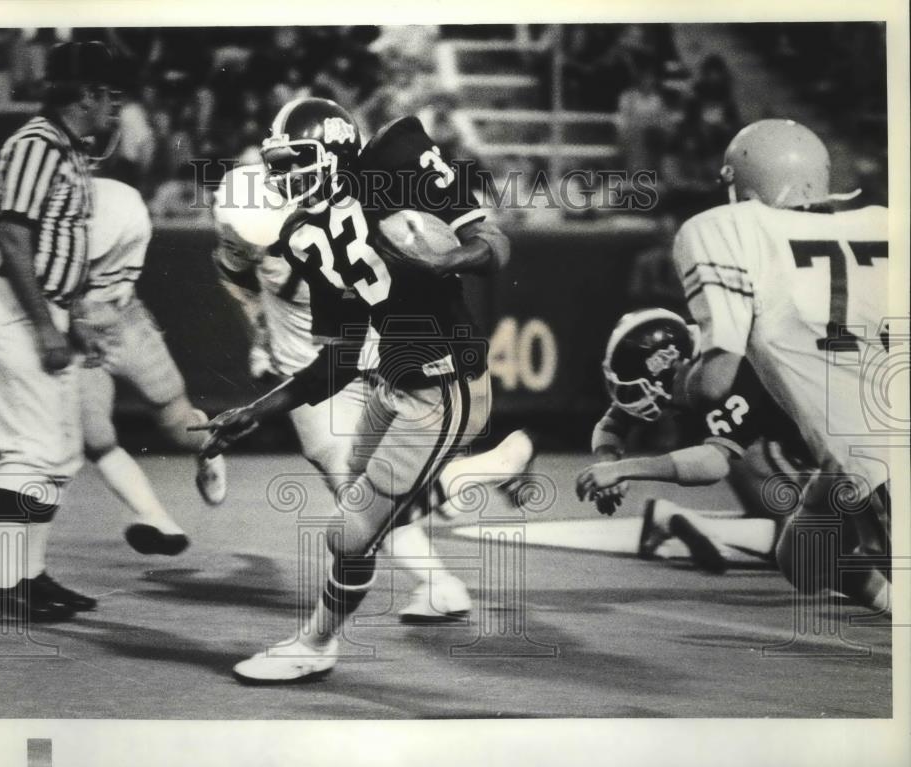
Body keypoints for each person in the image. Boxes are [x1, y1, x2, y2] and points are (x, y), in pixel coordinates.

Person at [201, 97, 520, 683]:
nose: (282, 177)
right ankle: (465, 479)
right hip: (392, 381)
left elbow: (496, 243)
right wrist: (261, 408)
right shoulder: (304, 233)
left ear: (335, 150)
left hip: (444, 380)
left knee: (349, 531)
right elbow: (345, 352)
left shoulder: (397, 156)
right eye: (276, 165)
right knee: (359, 501)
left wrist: (450, 259)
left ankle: (316, 643)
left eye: (294, 161)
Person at [670, 119, 891, 613]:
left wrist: (676, 383)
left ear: (743, 186)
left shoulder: (730, 231)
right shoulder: (885, 222)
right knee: (804, 555)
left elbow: (713, 384)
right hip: (868, 451)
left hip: (878, 465)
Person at [0, 41, 118, 622]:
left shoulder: (66, 149)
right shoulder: (35, 144)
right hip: (8, 302)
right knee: (31, 449)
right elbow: (13, 238)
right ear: (87, 95)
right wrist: (41, 325)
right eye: (107, 96)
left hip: (38, 304)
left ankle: (26, 576)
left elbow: (60, 247)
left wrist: (69, 320)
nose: (112, 109)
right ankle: (0, 588)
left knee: (58, 451)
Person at [575, 309, 814, 572]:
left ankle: (678, 521)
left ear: (672, 365)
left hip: (797, 445)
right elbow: (611, 425)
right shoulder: (685, 353)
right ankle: (698, 524)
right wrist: (609, 462)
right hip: (772, 448)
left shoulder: (727, 363)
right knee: (818, 541)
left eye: (637, 386)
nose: (633, 397)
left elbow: (712, 462)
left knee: (819, 539)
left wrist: (621, 470)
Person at [72, 177, 227, 554]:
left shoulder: (115, 201)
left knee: (175, 421)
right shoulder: (37, 196)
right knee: (96, 438)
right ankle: (156, 518)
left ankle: (209, 445)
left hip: (123, 319)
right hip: (72, 330)